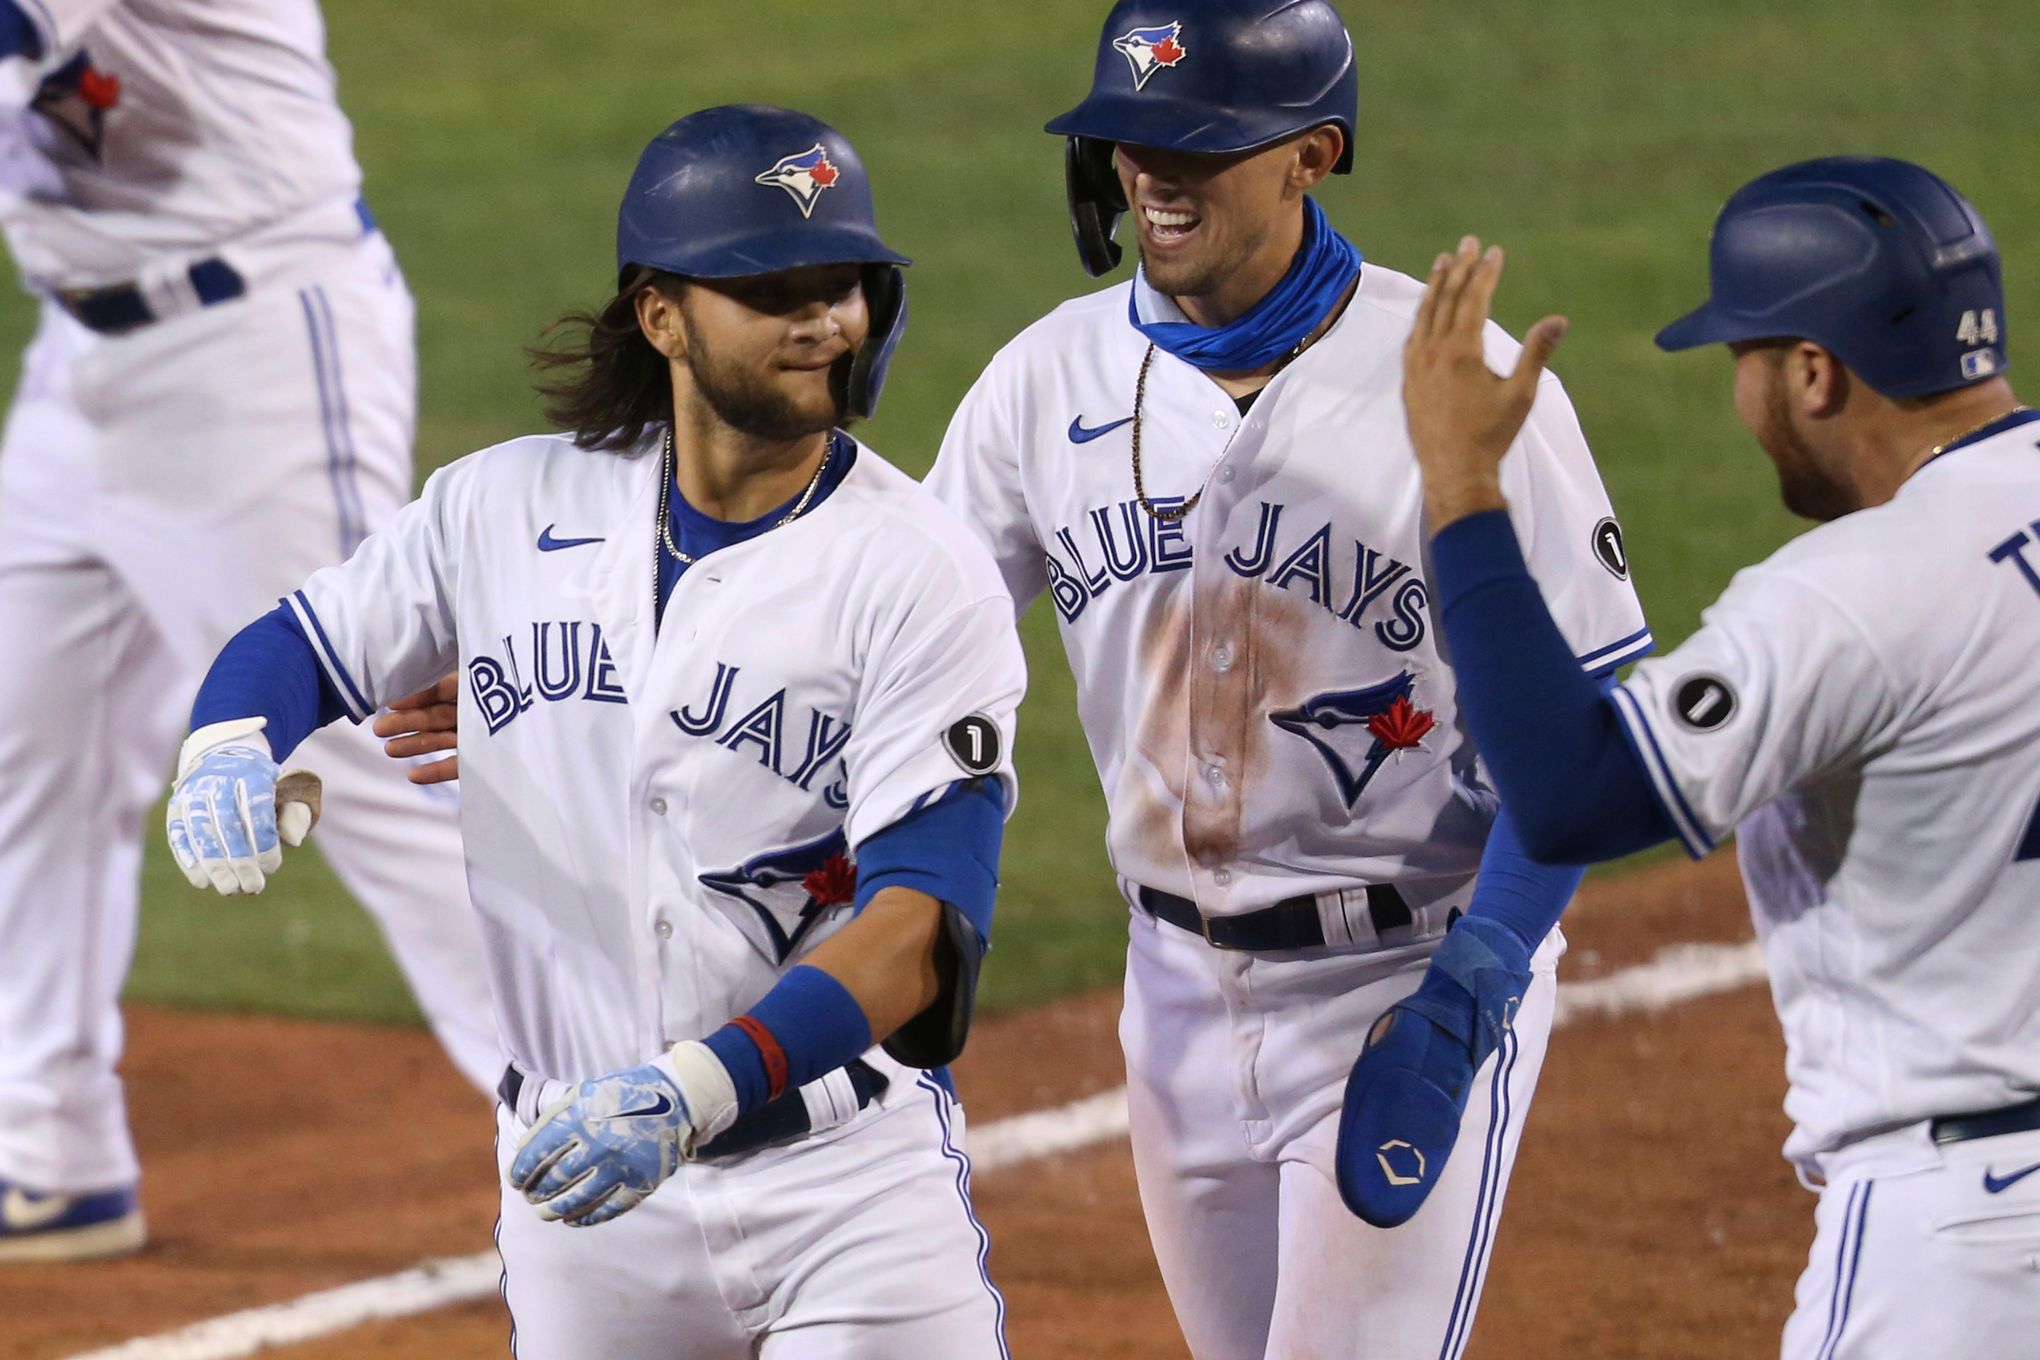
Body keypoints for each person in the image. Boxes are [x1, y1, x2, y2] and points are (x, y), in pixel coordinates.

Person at [166, 104, 1023, 1358]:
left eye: (843, 283)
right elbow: (297, 646)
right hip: (579, 1199)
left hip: (840, 1192)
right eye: (773, 287)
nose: (823, 319)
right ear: (662, 316)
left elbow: (919, 931)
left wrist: (698, 1088)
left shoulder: (917, 569)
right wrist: (228, 742)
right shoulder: (503, 508)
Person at [920, 2, 1652, 1355]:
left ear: (1312, 155)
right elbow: (887, 647)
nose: (1151, 175)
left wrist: (1476, 989)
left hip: (1411, 981)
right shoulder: (1042, 385)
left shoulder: (1458, 381)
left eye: (1194, 144)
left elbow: (1596, 723)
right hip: (1174, 996)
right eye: (1129, 139)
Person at [1398, 155, 2040, 1358]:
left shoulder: (1856, 592)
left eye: (1743, 360)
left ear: (1813, 372)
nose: (1740, 398)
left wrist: (1463, 486)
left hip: (1964, 1253)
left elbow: (1571, 793)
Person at [0, 0, 498, 1263]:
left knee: (372, 746)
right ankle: (50, 1148)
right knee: (35, 745)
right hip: (78, 353)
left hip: (257, 347)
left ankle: (598, 1106)